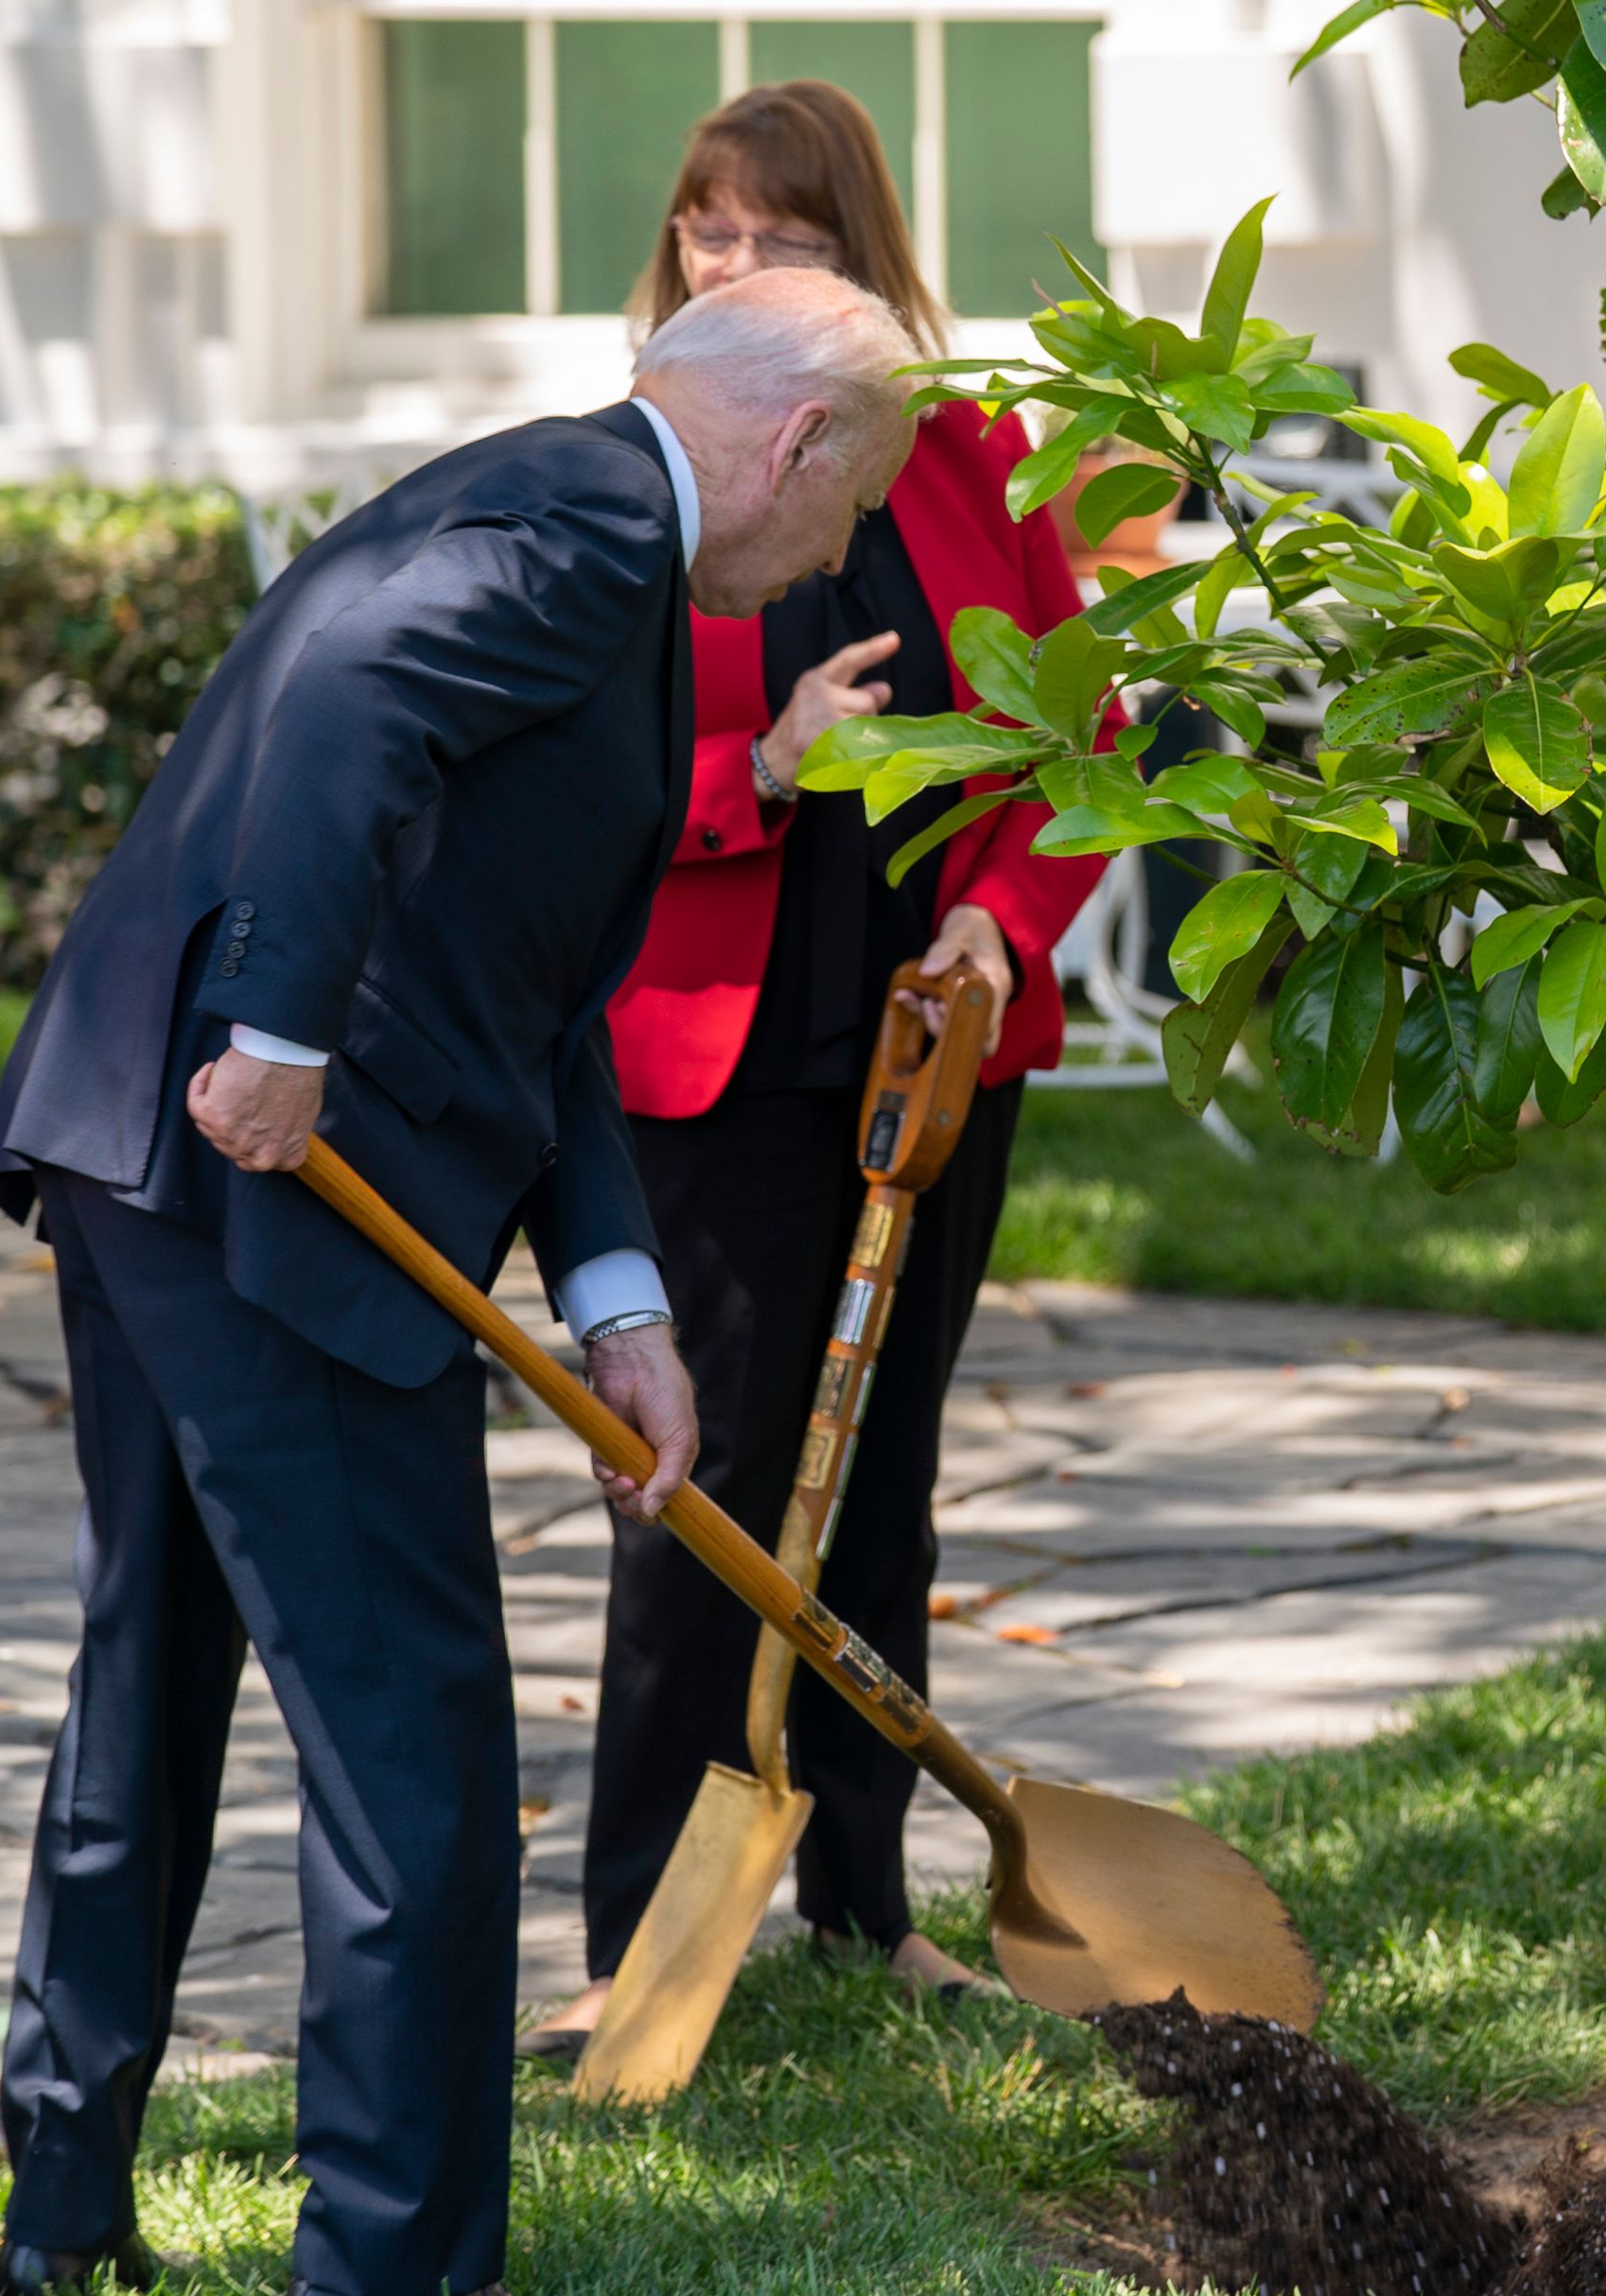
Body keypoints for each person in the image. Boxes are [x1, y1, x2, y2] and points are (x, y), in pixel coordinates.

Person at [0, 270, 920, 2296]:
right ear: (796, 452)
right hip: (257, 1176)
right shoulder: (589, 541)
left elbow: (535, 978)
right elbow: (342, 705)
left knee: (157, 1678)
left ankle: (59, 2211)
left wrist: (615, 1295)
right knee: (410, 1729)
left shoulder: (570, 523)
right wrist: (284, 1020)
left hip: (144, 1144)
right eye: (861, 502)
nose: (849, 550)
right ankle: (392, 2280)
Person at [520, 82, 1116, 2054]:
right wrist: (755, 775)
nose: (737, 262)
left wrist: (999, 924)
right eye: (708, 229)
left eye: (780, 233)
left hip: (930, 1047)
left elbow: (1082, 747)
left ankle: (867, 1898)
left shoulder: (969, 456)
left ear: (861, 254)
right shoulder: (634, 475)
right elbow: (567, 791)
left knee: (888, 1495)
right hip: (725, 1066)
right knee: (706, 1497)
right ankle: (636, 1942)